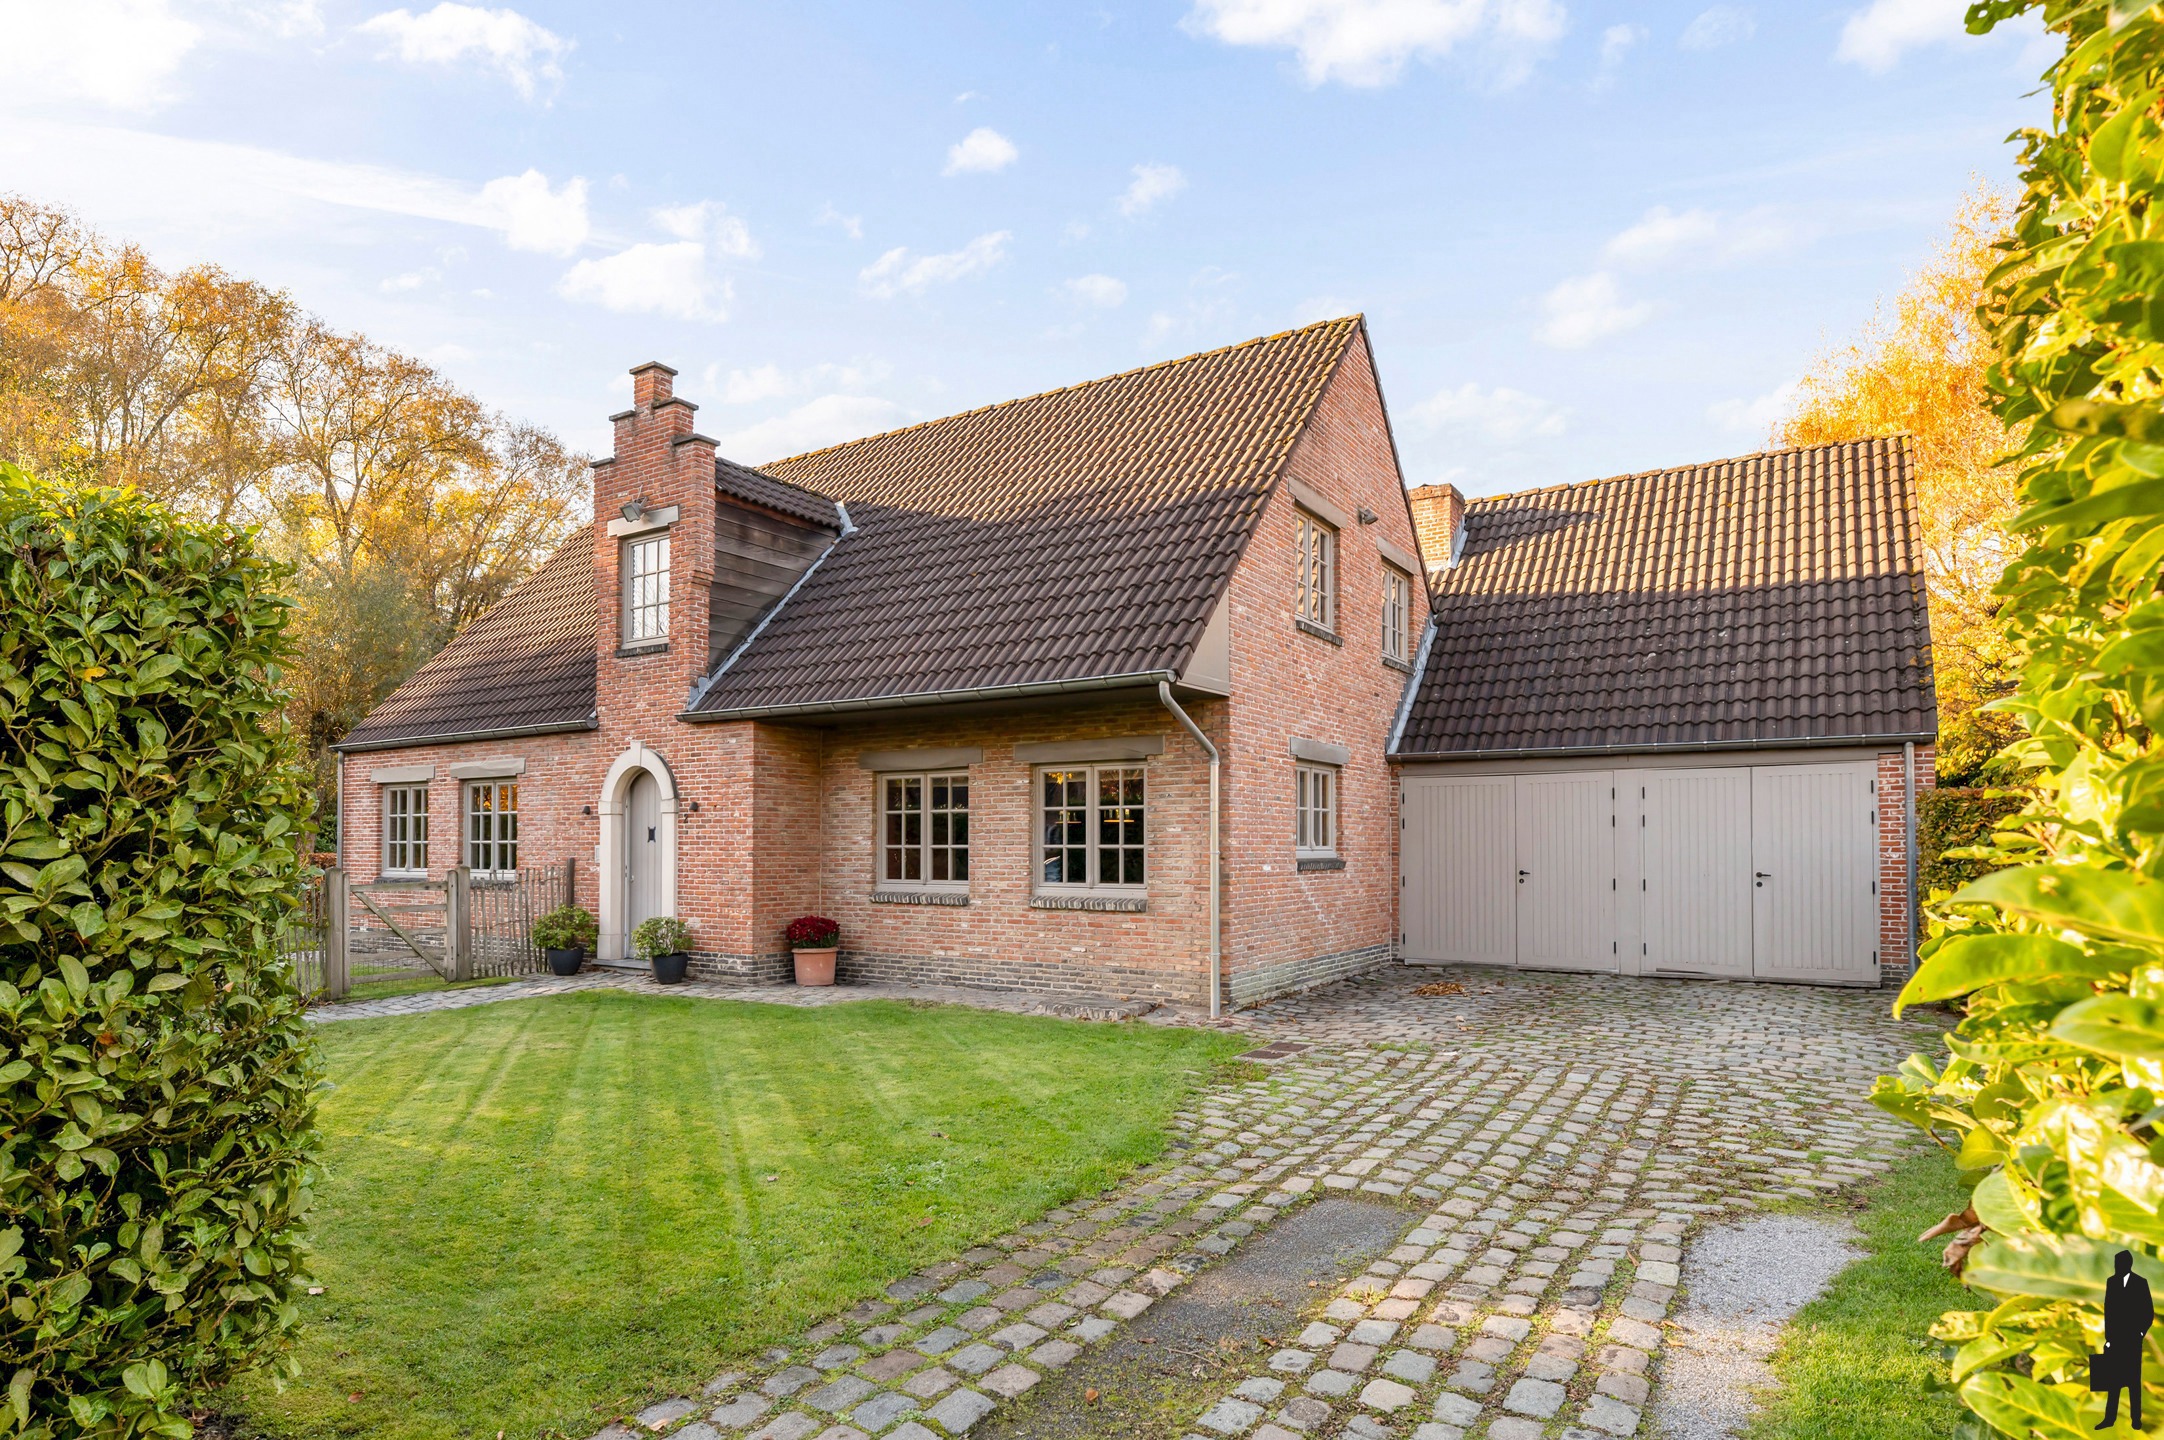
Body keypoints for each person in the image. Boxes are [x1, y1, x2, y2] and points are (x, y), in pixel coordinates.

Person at [2098, 1249, 2153, 1430]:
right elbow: (2109, 1311)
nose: (2117, 1267)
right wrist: (2108, 1338)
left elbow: (2148, 1310)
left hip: (2133, 1338)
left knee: (2133, 1381)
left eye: (2120, 1263)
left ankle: (2136, 1419)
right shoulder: (2111, 1282)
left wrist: (2140, 1333)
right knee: (2113, 1381)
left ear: (2128, 1264)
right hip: (2115, 1339)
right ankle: (2110, 1418)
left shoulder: (2140, 1282)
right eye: (2116, 1263)